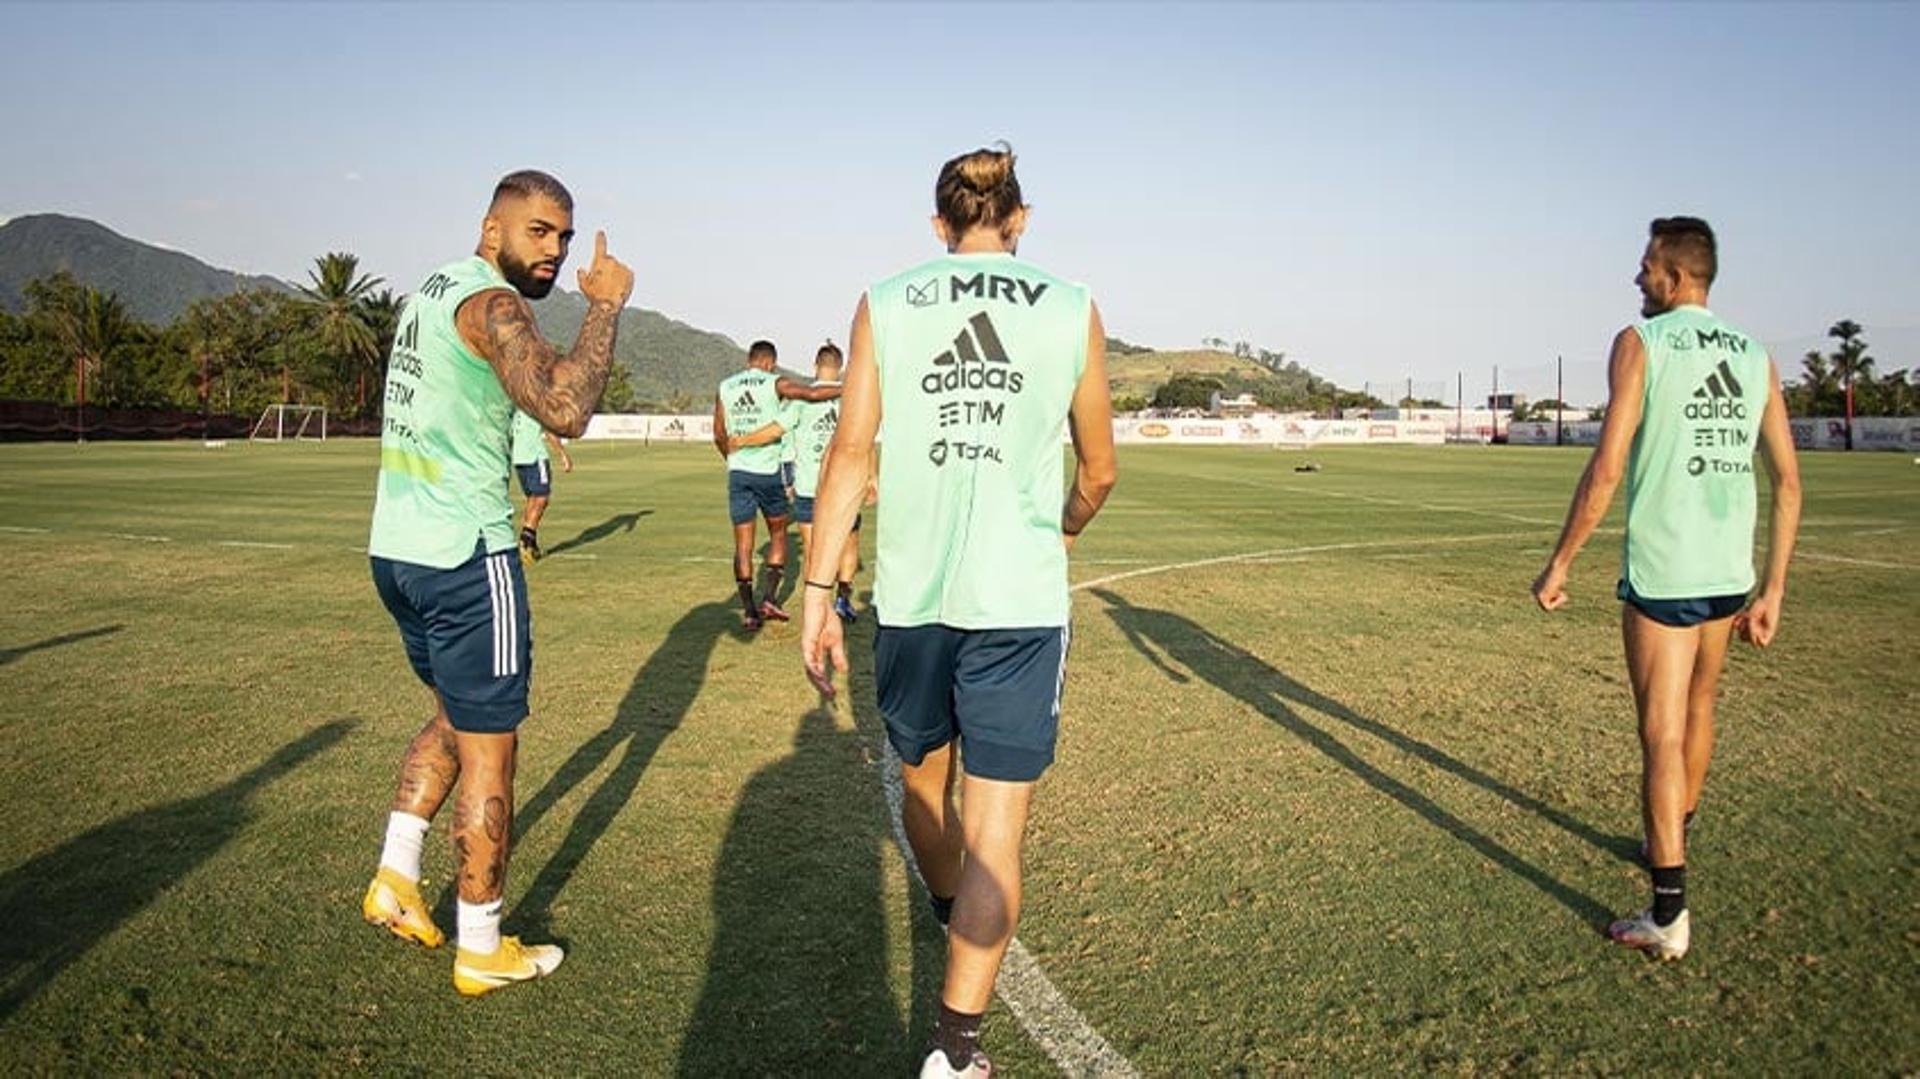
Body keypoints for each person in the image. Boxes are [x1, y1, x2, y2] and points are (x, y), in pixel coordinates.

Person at [800, 145, 1117, 1077]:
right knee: (997, 837)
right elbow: (1099, 470)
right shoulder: (1071, 305)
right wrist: (1063, 525)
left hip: (910, 600)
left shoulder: (886, 299)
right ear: (1019, 220)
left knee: (922, 795)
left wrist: (819, 594)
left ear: (939, 228)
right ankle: (956, 1047)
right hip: (1018, 603)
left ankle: (952, 947)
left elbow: (850, 454)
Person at [361, 169, 634, 995]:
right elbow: (564, 406)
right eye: (537, 232)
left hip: (398, 548)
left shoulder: (427, 293)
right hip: (465, 553)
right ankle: (481, 942)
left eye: (561, 235)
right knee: (491, 745)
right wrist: (607, 307)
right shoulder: (492, 304)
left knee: (451, 712)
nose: (552, 250)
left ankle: (395, 875)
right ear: (493, 230)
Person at [1533, 216, 1801, 961]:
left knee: (1661, 733)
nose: (1637, 277)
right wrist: (1773, 586)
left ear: (1676, 277)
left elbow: (1608, 467)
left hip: (1665, 571)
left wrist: (1559, 563)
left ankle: (1667, 916)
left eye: (1646, 264)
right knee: (1700, 706)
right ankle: (1673, 834)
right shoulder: (1755, 355)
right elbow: (1789, 481)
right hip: (1730, 575)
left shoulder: (1639, 342)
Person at [713, 341, 840, 631]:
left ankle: (748, 611)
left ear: (749, 360)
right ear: (771, 363)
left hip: (739, 473)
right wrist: (847, 388)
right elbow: (810, 393)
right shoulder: (773, 382)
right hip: (768, 472)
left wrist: (730, 458)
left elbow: (719, 433)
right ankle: (769, 599)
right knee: (779, 534)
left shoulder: (726, 386)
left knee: (743, 546)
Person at [789, 341, 862, 622]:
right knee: (849, 544)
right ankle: (843, 601)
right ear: (840, 367)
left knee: (813, 551)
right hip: (846, 486)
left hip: (809, 485)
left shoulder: (800, 398)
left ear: (815, 365)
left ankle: (819, 606)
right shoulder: (853, 397)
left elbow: (785, 438)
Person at [510, 409, 573, 564]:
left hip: (519, 458)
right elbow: (550, 432)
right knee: (542, 498)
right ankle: (526, 540)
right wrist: (563, 454)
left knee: (533, 499)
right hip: (535, 457)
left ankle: (530, 545)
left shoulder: (515, 406)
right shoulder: (537, 405)